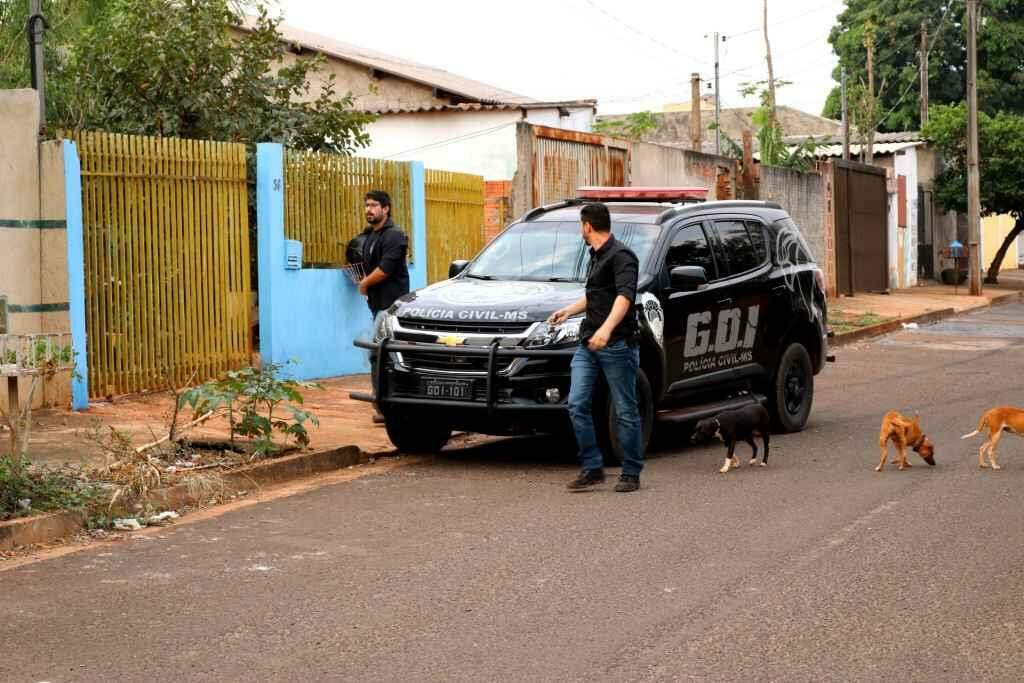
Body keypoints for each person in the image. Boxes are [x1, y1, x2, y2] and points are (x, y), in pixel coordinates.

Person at [548, 202, 643, 493]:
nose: (581, 229)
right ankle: (592, 468)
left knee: (625, 410)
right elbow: (598, 295)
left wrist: (606, 329)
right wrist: (569, 310)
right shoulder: (596, 255)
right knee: (576, 404)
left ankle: (631, 472)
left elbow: (624, 298)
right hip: (588, 343)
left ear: (588, 225)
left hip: (617, 345)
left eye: (581, 225)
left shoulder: (623, 256)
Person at [356, 190, 410, 424]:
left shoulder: (395, 236)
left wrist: (365, 283)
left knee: (378, 354)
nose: (369, 209)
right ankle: (386, 405)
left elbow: (385, 269)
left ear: (386, 208)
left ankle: (384, 406)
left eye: (374, 205)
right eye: (367, 205)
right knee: (380, 354)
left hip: (391, 306)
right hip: (377, 305)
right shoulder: (371, 235)